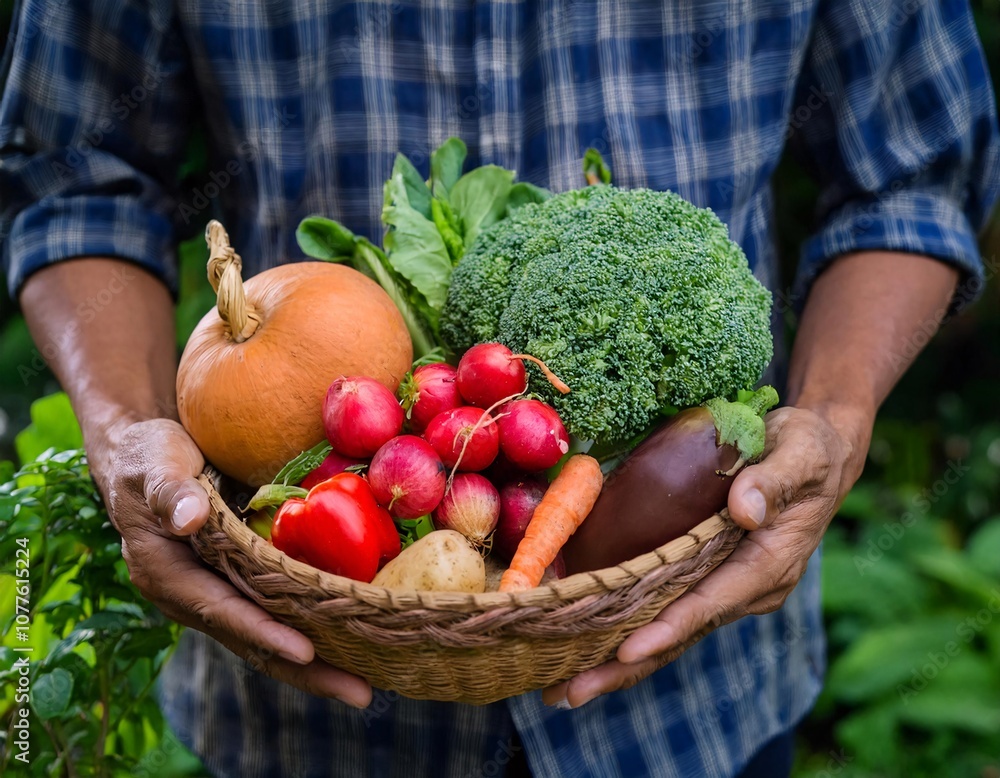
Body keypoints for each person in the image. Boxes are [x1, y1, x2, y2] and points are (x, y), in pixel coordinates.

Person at [2, 1, 998, 776]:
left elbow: (912, 175)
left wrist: (832, 416)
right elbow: (73, 176)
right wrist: (128, 432)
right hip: (304, 688)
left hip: (701, 684)